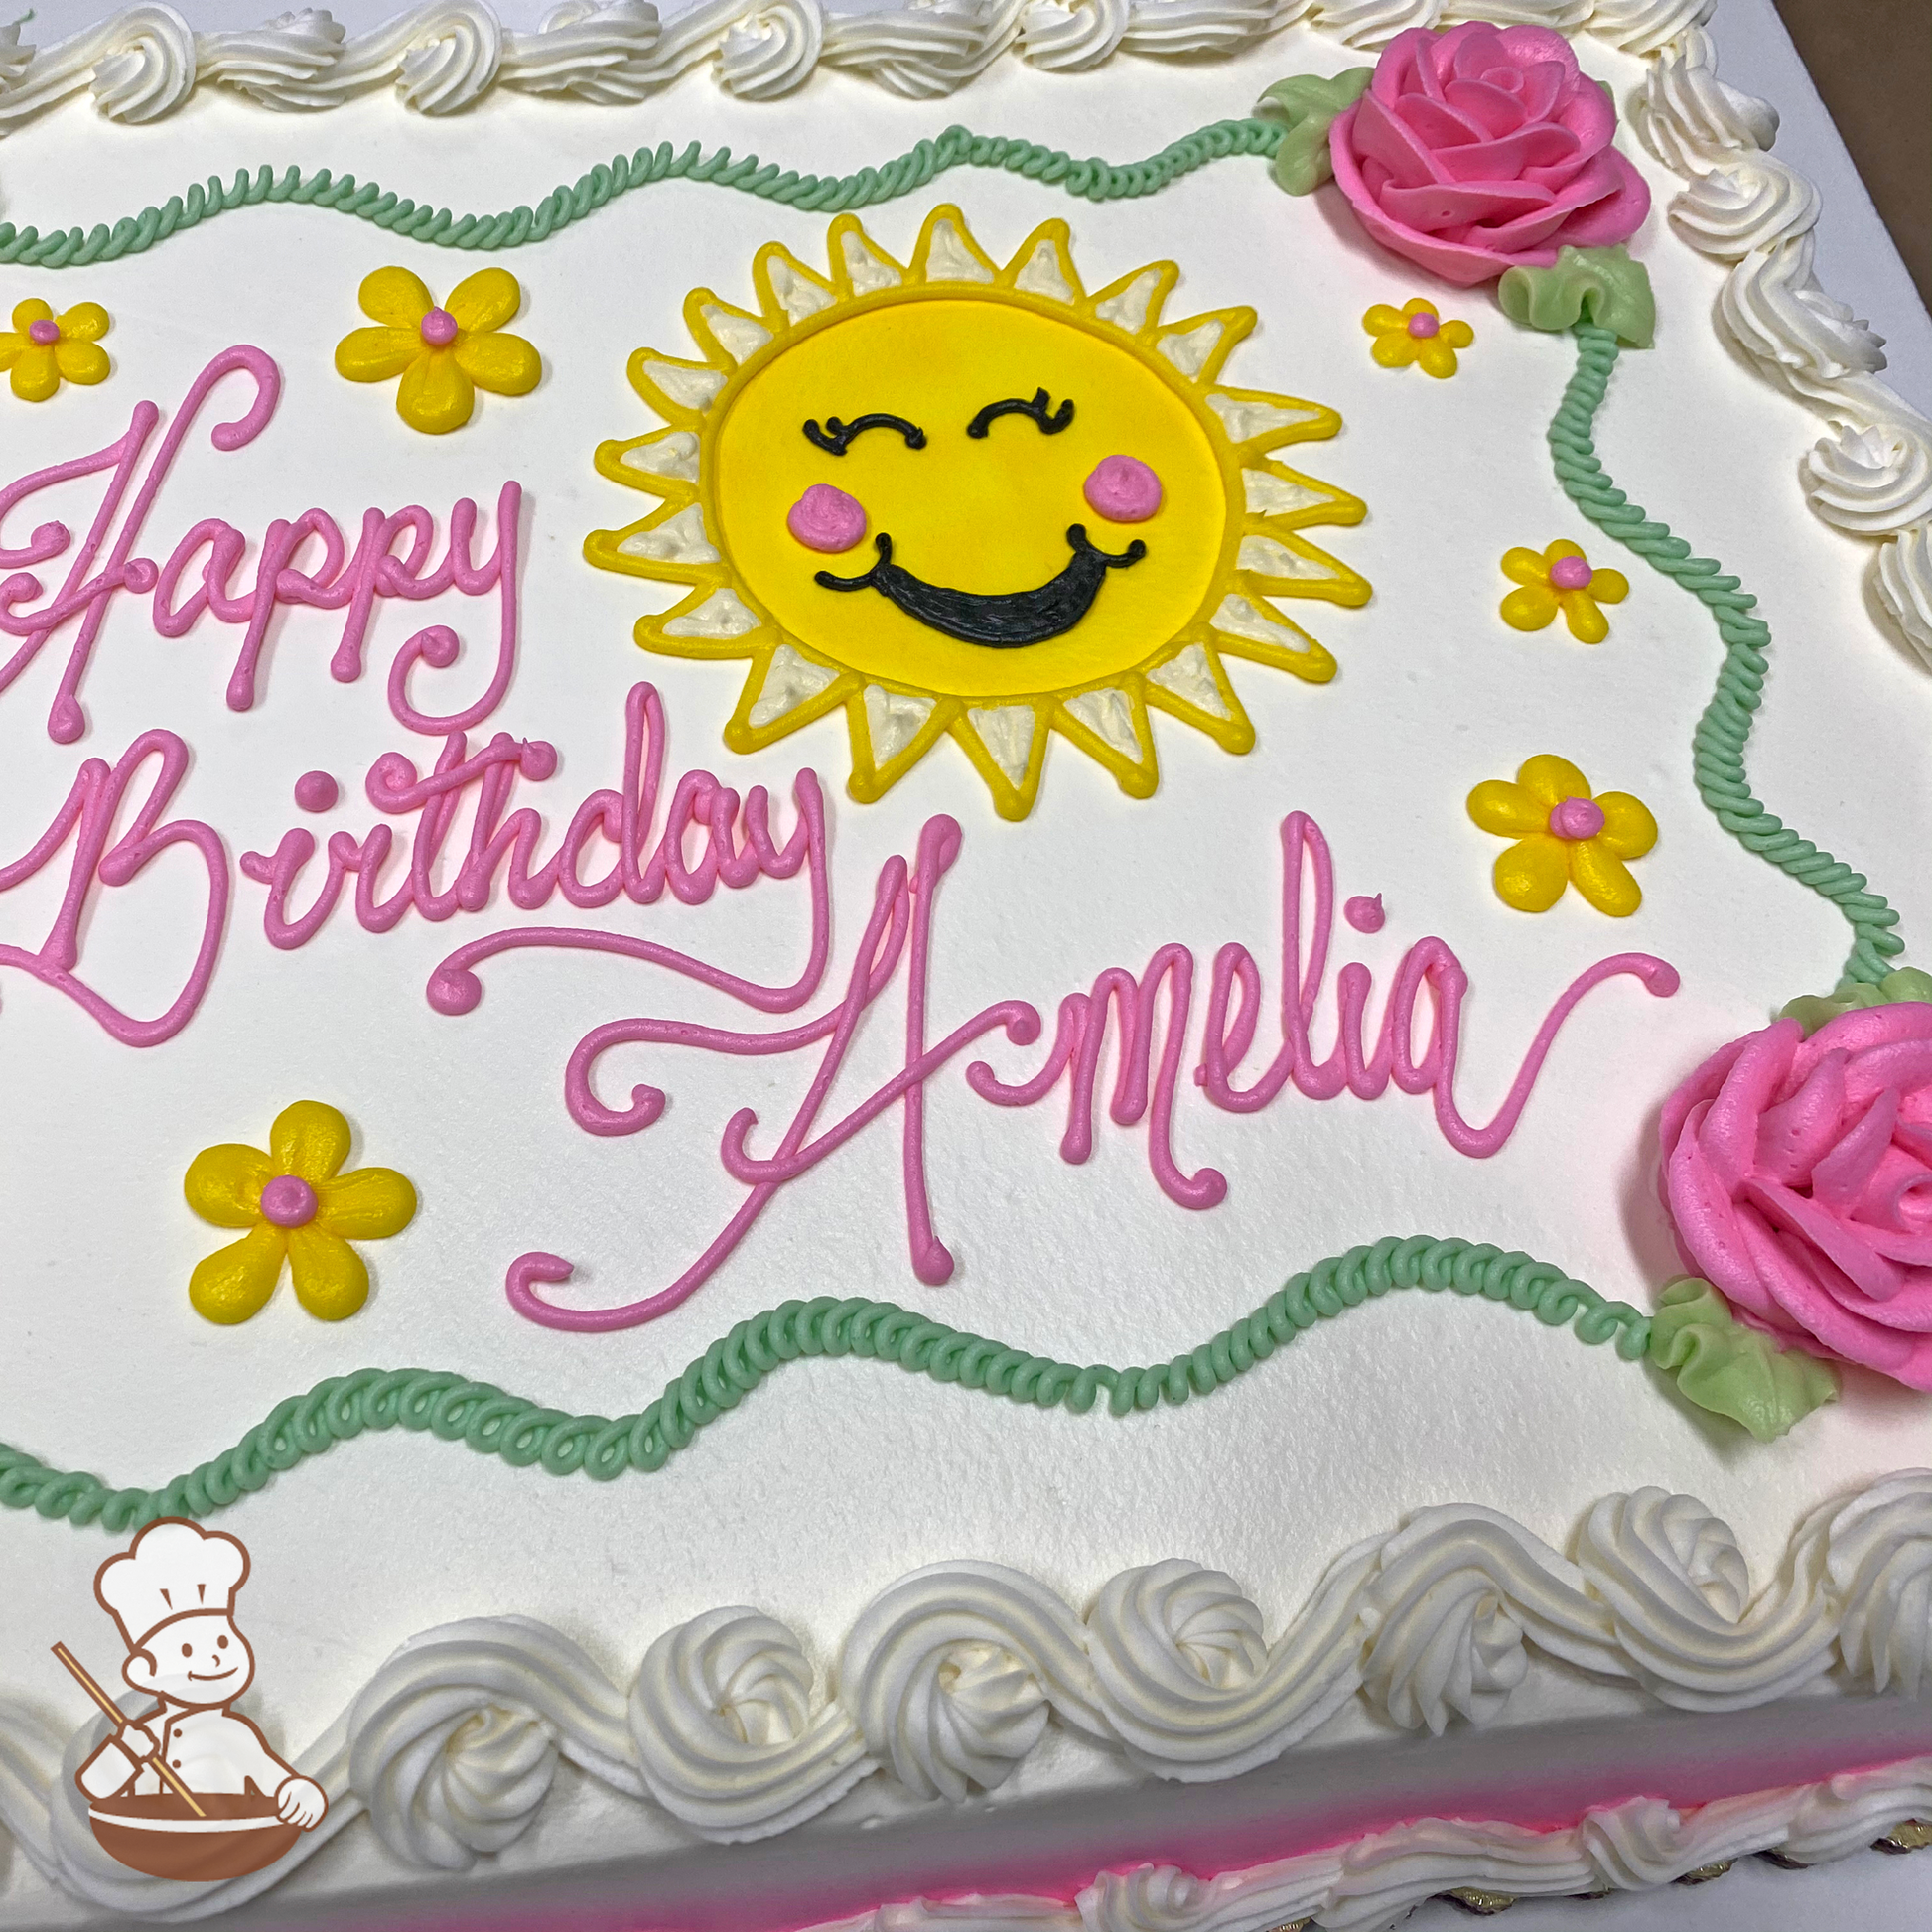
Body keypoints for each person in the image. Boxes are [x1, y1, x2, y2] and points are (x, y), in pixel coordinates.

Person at [75, 1518, 326, 1830]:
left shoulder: (237, 1733)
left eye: (222, 1641)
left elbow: (278, 1782)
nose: (214, 1657)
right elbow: (94, 1788)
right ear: (145, 1672)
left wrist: (299, 1796)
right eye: (186, 1651)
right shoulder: (146, 1735)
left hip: (222, 1847)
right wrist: (126, 1752)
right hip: (152, 1843)